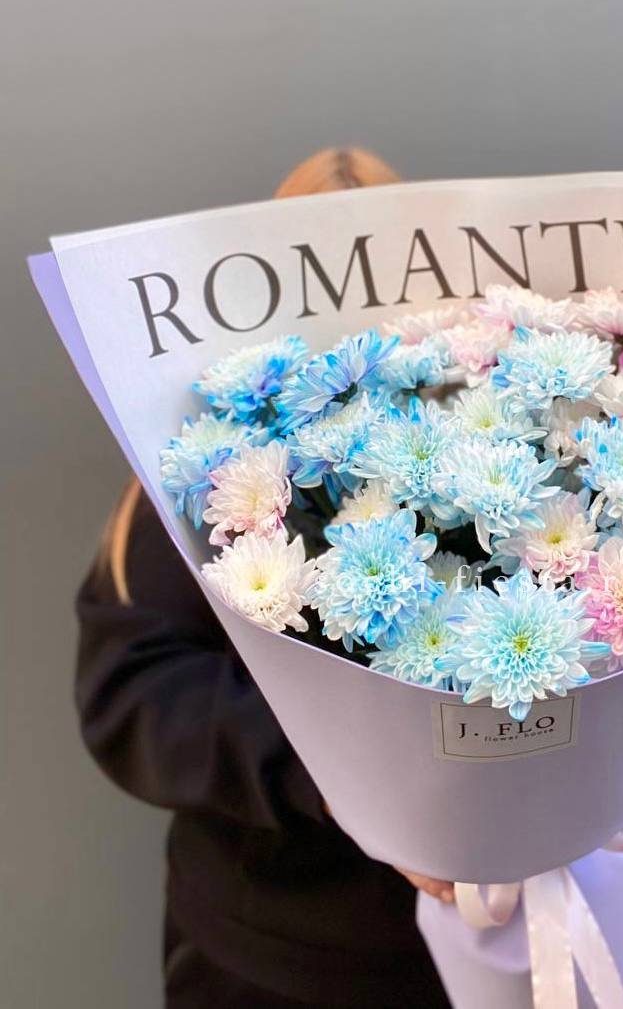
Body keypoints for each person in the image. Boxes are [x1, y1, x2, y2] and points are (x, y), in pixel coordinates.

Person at [75, 149, 453, 1008]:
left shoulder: (491, 433)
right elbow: (133, 696)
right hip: (274, 954)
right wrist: (339, 774)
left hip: (476, 942)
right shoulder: (201, 472)